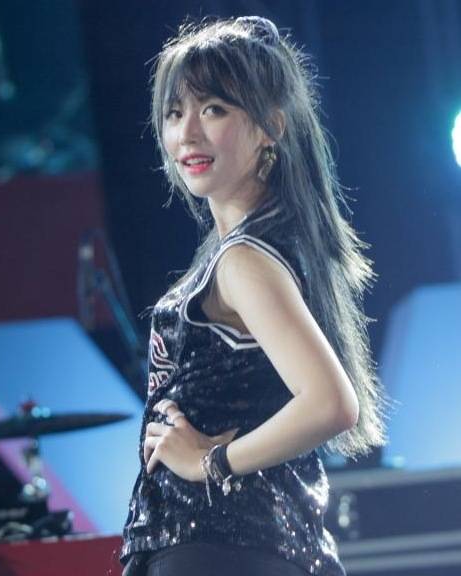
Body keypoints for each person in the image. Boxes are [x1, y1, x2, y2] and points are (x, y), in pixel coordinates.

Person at [119, 15, 390, 576]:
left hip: (218, 547)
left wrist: (211, 463)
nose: (187, 134)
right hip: (252, 546)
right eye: (175, 113)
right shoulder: (265, 245)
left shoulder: (245, 260)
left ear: (271, 126)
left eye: (214, 109)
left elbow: (331, 403)